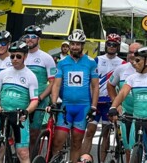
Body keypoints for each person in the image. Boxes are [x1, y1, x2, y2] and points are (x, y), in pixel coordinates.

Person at [49, 29, 99, 163]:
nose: (75, 47)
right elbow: (56, 85)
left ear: (83, 45)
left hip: (83, 108)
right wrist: (53, 102)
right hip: (66, 107)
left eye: (78, 44)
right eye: (72, 44)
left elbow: (95, 86)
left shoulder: (90, 62)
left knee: (77, 143)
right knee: (58, 142)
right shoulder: (62, 62)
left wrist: (94, 106)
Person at [0, 41, 39, 163]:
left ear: (25, 56)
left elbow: (34, 100)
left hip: (19, 116)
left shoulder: (31, 76)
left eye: (18, 56)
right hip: (3, 113)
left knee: (22, 153)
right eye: (12, 56)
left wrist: (27, 111)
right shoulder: (3, 73)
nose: (15, 59)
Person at [84, 33, 125, 158]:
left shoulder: (122, 63)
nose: (111, 47)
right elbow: (90, 81)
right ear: (105, 45)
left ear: (118, 47)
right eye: (109, 44)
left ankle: (102, 160)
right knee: (89, 132)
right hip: (96, 101)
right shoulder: (97, 60)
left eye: (114, 45)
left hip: (110, 102)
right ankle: (83, 159)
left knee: (105, 134)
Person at [22, 25, 57, 148]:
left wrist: (41, 98)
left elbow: (52, 82)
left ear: (39, 39)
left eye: (33, 37)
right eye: (27, 36)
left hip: (39, 100)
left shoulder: (46, 58)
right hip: (23, 99)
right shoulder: (20, 55)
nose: (29, 39)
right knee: (19, 133)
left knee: (33, 134)